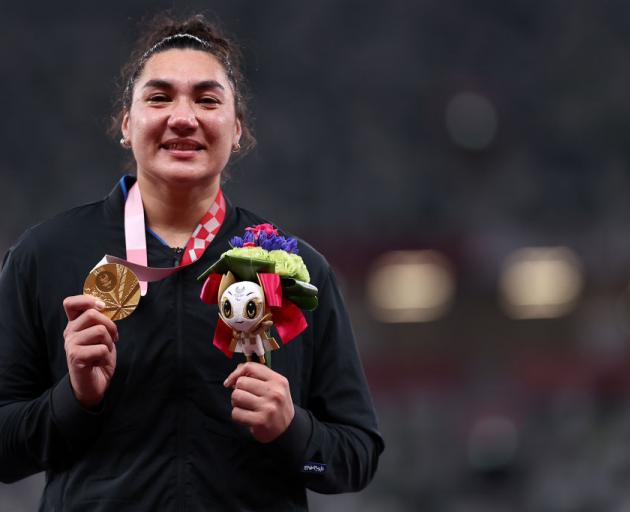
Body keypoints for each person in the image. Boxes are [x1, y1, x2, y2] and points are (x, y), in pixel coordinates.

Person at [0, 13, 383, 511]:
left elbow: (352, 464)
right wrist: (74, 400)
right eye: (159, 98)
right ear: (126, 124)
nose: (184, 117)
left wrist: (294, 432)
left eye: (207, 99)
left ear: (237, 130)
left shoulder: (295, 271)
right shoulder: (45, 256)